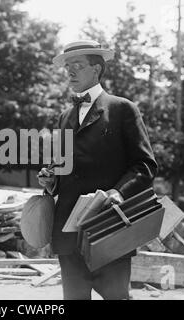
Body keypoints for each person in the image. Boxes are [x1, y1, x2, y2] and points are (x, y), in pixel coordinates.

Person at [37, 40, 158, 300]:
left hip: (109, 228)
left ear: (97, 69)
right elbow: (62, 166)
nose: (70, 72)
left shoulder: (123, 109)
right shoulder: (64, 117)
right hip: (68, 232)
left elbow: (145, 165)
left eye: (77, 66)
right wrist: (51, 181)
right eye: (67, 66)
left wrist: (118, 192)